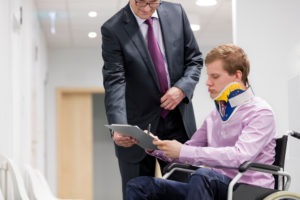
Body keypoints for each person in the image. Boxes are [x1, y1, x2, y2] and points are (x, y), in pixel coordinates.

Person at [126, 44, 277, 200]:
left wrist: (184, 151)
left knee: (202, 176)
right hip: (213, 185)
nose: (208, 82)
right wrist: (155, 146)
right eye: (208, 76)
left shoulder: (260, 112)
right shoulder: (215, 115)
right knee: (140, 186)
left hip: (247, 190)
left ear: (237, 76)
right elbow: (188, 150)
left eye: (215, 76)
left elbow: (240, 157)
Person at [101, 0, 203, 199]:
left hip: (178, 125)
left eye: (153, 2)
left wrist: (182, 88)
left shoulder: (176, 13)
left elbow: (194, 60)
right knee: (138, 193)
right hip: (136, 132)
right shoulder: (113, 29)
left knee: (184, 194)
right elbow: (115, 82)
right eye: (141, 2)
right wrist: (119, 126)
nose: (147, 8)